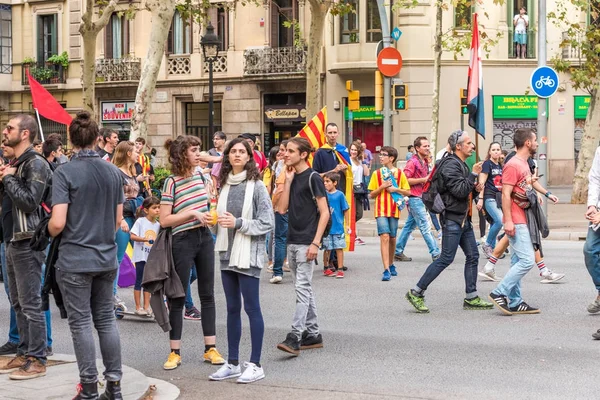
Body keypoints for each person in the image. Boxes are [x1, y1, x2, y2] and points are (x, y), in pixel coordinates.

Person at [46, 111, 125, 398]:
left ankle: (89, 387)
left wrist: (50, 232)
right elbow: (118, 220)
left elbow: (57, 223)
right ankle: (114, 386)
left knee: (80, 324)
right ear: (97, 138)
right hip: (106, 256)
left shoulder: (64, 172)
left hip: (75, 258)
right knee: (105, 320)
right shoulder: (113, 172)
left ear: (71, 138)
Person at [208, 138, 274, 383]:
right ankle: (233, 362)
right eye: (232, 151)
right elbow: (222, 222)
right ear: (227, 157)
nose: (236, 155)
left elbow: (268, 223)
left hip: (249, 255)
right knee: (232, 308)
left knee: (252, 308)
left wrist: (239, 223)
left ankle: (256, 364)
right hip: (227, 253)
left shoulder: (257, 186)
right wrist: (212, 222)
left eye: (241, 152)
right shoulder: (224, 184)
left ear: (249, 157)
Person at [405, 131, 493, 313]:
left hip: (463, 219)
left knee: (473, 256)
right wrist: (473, 175)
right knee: (445, 258)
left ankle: (471, 296)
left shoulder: (461, 164)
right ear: (458, 146)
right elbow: (459, 191)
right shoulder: (451, 165)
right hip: (453, 219)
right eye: (468, 143)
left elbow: (466, 193)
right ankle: (416, 292)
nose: (472, 146)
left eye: (471, 143)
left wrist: (476, 189)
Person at [160, 135, 224, 370]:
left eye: (199, 150)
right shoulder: (171, 182)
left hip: (204, 236)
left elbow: (223, 159)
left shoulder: (199, 173)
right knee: (177, 296)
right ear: (181, 154)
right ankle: (174, 352)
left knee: (207, 294)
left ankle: (211, 349)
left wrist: (207, 209)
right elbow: (165, 220)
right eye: (193, 151)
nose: (198, 154)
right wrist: (192, 214)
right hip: (182, 240)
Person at [0, 115, 52, 380]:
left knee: (30, 303)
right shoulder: (15, 164)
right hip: (12, 239)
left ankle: (38, 358)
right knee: (18, 301)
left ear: (24, 134)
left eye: (9, 128)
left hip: (28, 240)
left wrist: (8, 179)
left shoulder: (35, 163)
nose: (4, 131)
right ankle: (24, 352)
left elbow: (30, 202)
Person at [276, 137, 328, 356]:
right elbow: (281, 208)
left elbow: (324, 212)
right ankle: (313, 333)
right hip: (292, 240)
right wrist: (287, 182)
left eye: (290, 151)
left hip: (307, 242)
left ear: (303, 154)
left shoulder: (314, 177)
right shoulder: (292, 176)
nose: (285, 154)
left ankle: (295, 336)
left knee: (301, 288)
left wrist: (315, 242)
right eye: (285, 150)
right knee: (304, 287)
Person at [488, 128, 544, 315]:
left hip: (524, 217)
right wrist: (508, 221)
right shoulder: (512, 165)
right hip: (516, 219)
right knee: (528, 261)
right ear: (527, 142)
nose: (537, 143)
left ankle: (515, 302)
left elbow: (525, 185)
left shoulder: (524, 164)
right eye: (535, 140)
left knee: (517, 261)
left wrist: (542, 192)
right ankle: (499, 292)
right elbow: (505, 194)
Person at [394, 137, 441, 263]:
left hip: (421, 197)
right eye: (424, 146)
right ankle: (435, 253)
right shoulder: (412, 162)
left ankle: (398, 251)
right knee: (425, 226)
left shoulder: (424, 161)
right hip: (415, 198)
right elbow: (405, 180)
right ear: (417, 148)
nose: (427, 148)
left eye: (428, 145)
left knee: (409, 226)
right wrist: (423, 179)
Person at [368, 146, 411, 281]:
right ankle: (386, 269)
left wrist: (395, 189)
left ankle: (391, 264)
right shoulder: (376, 174)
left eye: (384, 155)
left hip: (394, 209)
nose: (380, 157)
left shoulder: (399, 173)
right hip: (380, 209)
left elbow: (408, 192)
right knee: (384, 237)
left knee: (392, 238)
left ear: (391, 158)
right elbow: (371, 194)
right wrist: (382, 187)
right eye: (380, 154)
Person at [112, 141, 143, 307]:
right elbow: (114, 198)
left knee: (142, 254)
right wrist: (120, 220)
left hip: (135, 217)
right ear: (128, 154)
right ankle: (112, 295)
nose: (138, 153)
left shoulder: (131, 172)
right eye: (135, 151)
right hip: (122, 217)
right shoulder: (116, 173)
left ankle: (147, 294)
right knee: (118, 257)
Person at [129, 196, 161, 317]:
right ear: (146, 210)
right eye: (154, 208)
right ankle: (138, 307)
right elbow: (132, 236)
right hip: (141, 256)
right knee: (139, 281)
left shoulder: (158, 225)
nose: (157, 210)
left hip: (151, 258)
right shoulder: (140, 222)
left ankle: (147, 307)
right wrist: (144, 239)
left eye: (159, 207)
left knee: (148, 282)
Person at [477, 142, 504, 261]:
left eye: (498, 149)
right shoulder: (487, 164)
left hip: (498, 197)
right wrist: (481, 199)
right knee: (500, 220)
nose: (496, 151)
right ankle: (487, 244)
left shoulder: (500, 165)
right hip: (489, 196)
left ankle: (492, 250)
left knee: (494, 222)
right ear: (489, 152)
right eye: (493, 149)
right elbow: (482, 182)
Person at [269, 141, 290, 284]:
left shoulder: (286, 168)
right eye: (281, 150)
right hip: (291, 208)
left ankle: (277, 271)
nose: (282, 152)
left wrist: (272, 205)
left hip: (283, 208)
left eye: (284, 150)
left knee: (280, 239)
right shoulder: (277, 165)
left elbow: (279, 190)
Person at [322, 172, 350, 278]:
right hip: (326, 227)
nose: (325, 183)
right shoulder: (323, 195)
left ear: (335, 183)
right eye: (324, 181)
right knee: (327, 248)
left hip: (338, 227)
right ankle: (326, 268)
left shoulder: (340, 195)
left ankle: (340, 269)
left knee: (339, 248)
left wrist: (347, 224)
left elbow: (346, 209)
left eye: (328, 181)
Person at [350, 141, 369, 246]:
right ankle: (353, 235)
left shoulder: (359, 162)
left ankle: (350, 231)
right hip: (351, 189)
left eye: (355, 150)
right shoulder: (348, 160)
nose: (353, 152)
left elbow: (366, 173)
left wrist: (363, 160)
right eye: (352, 149)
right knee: (353, 214)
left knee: (359, 214)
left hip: (359, 190)